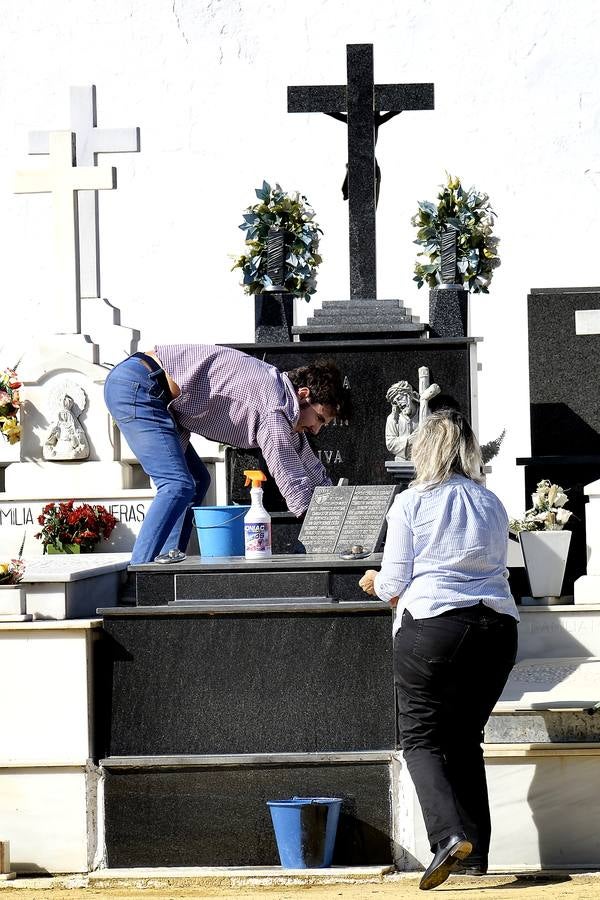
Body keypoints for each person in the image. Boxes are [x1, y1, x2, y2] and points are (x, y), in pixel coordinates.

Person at [359, 408, 519, 891]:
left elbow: (393, 580)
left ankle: (448, 837)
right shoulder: (491, 501)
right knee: (466, 739)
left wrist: (372, 582)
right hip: (497, 628)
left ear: (421, 451)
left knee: (422, 739)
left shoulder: (411, 502)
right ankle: (476, 854)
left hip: (434, 626)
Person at [104, 344, 348, 564]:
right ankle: (139, 575)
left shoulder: (283, 402)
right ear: (303, 394)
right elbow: (287, 470)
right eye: (318, 418)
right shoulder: (274, 406)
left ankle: (166, 562)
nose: (316, 429)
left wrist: (338, 510)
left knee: (198, 480)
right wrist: (320, 523)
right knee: (176, 484)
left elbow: (307, 462)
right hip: (139, 386)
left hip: (152, 390)